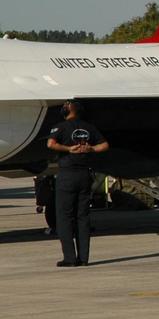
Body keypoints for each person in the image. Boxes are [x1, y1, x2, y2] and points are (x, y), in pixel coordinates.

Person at [46, 101, 108, 267]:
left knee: (64, 216)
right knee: (83, 216)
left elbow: (50, 144)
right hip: (84, 175)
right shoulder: (89, 127)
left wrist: (68, 149)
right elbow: (104, 145)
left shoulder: (60, 127)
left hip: (67, 175)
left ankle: (70, 258)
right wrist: (91, 149)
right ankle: (84, 258)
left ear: (66, 110)